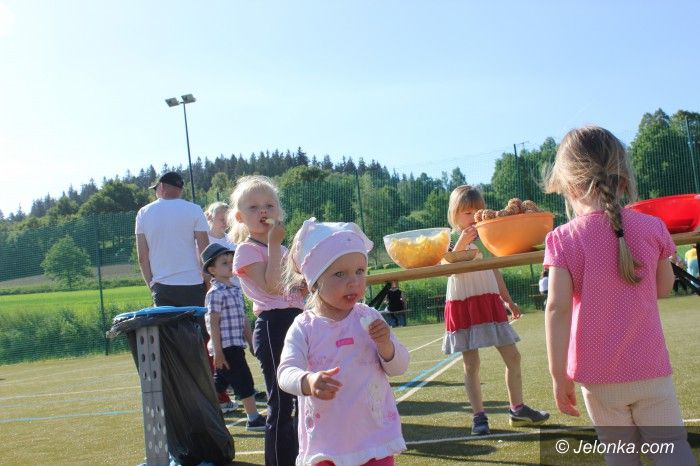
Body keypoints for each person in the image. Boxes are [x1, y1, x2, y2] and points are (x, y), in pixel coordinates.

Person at [543, 125, 694, 464]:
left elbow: (556, 309)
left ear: (569, 186)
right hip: (652, 368)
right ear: (624, 180)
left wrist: (558, 374)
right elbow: (663, 288)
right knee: (672, 449)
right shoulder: (653, 227)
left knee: (620, 456)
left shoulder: (563, 239)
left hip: (599, 378)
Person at [278, 218, 409, 466]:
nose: (354, 281)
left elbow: (399, 366)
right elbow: (285, 373)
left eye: (360, 271)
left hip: (375, 441)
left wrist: (386, 346)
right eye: (339, 274)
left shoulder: (370, 318)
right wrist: (307, 381)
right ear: (314, 282)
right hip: (327, 445)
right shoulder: (305, 327)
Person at [443, 185, 549, 436]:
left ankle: (517, 409)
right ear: (454, 214)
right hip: (464, 303)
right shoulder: (448, 240)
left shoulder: (488, 235)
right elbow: (447, 269)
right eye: (467, 212)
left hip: (489, 301)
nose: (473, 217)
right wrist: (461, 243)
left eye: (477, 211)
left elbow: (494, 269)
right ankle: (479, 417)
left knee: (513, 357)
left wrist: (508, 300)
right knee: (471, 364)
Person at [229, 175, 305, 466]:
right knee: (281, 401)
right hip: (273, 326)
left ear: (279, 212)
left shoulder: (283, 250)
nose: (263, 211)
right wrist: (274, 244)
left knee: (302, 397)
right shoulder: (247, 251)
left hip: (298, 321)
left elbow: (299, 287)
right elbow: (274, 286)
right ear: (240, 217)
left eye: (269, 205)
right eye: (253, 207)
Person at [204, 201, 266, 412]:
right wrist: (217, 351)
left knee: (220, 383)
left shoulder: (235, 290)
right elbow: (213, 324)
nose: (230, 266)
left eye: (231, 262)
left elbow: (242, 319)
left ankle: (203, 411)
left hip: (236, 344)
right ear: (212, 270)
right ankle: (253, 418)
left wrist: (251, 342)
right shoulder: (215, 293)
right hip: (225, 347)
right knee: (244, 382)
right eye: (224, 263)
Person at [135, 171, 209, 308]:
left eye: (155, 189)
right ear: (180, 190)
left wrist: (152, 286)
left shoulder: (143, 213)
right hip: (193, 283)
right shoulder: (195, 209)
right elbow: (205, 251)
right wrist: (208, 282)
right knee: (196, 322)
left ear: (162, 186)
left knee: (167, 323)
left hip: (162, 286)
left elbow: (142, 258)